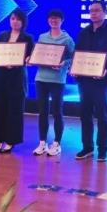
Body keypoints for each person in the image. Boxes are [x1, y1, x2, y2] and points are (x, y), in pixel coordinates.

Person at [73, 0, 107, 162]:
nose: (93, 13)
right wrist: (75, 67)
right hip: (85, 79)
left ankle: (103, 149)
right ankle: (87, 147)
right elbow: (78, 53)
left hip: (102, 80)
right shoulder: (84, 32)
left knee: (102, 115)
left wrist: (105, 69)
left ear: (105, 12)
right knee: (85, 114)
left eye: (97, 10)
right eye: (91, 11)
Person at [0, 9, 34, 153]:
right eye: (12, 19)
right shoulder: (3, 35)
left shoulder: (27, 38)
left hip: (17, 77)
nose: (15, 21)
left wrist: (28, 59)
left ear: (23, 21)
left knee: (14, 109)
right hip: (0, 76)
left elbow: (31, 56)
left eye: (18, 19)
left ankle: (11, 141)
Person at [31, 9, 75, 157]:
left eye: (56, 18)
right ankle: (42, 143)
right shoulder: (42, 37)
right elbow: (38, 54)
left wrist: (64, 63)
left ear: (62, 21)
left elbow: (74, 57)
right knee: (42, 112)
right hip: (41, 78)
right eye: (51, 18)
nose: (53, 21)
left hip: (57, 80)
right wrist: (32, 59)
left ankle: (56, 143)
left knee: (57, 112)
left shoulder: (67, 39)